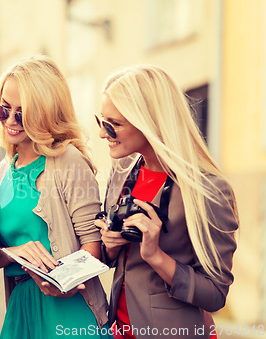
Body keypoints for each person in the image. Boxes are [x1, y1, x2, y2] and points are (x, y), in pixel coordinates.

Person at [95, 65, 239, 339]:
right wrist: (110, 248)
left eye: (113, 125)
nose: (103, 133)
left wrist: (156, 257)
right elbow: (115, 259)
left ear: (149, 121)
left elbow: (216, 295)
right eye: (101, 121)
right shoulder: (123, 170)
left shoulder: (209, 191)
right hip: (119, 330)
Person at [0, 55, 112, 338]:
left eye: (23, 114)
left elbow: (92, 249)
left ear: (45, 113)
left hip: (69, 309)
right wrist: (11, 253)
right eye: (4, 109)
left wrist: (59, 282)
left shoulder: (69, 160)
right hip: (21, 308)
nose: (11, 120)